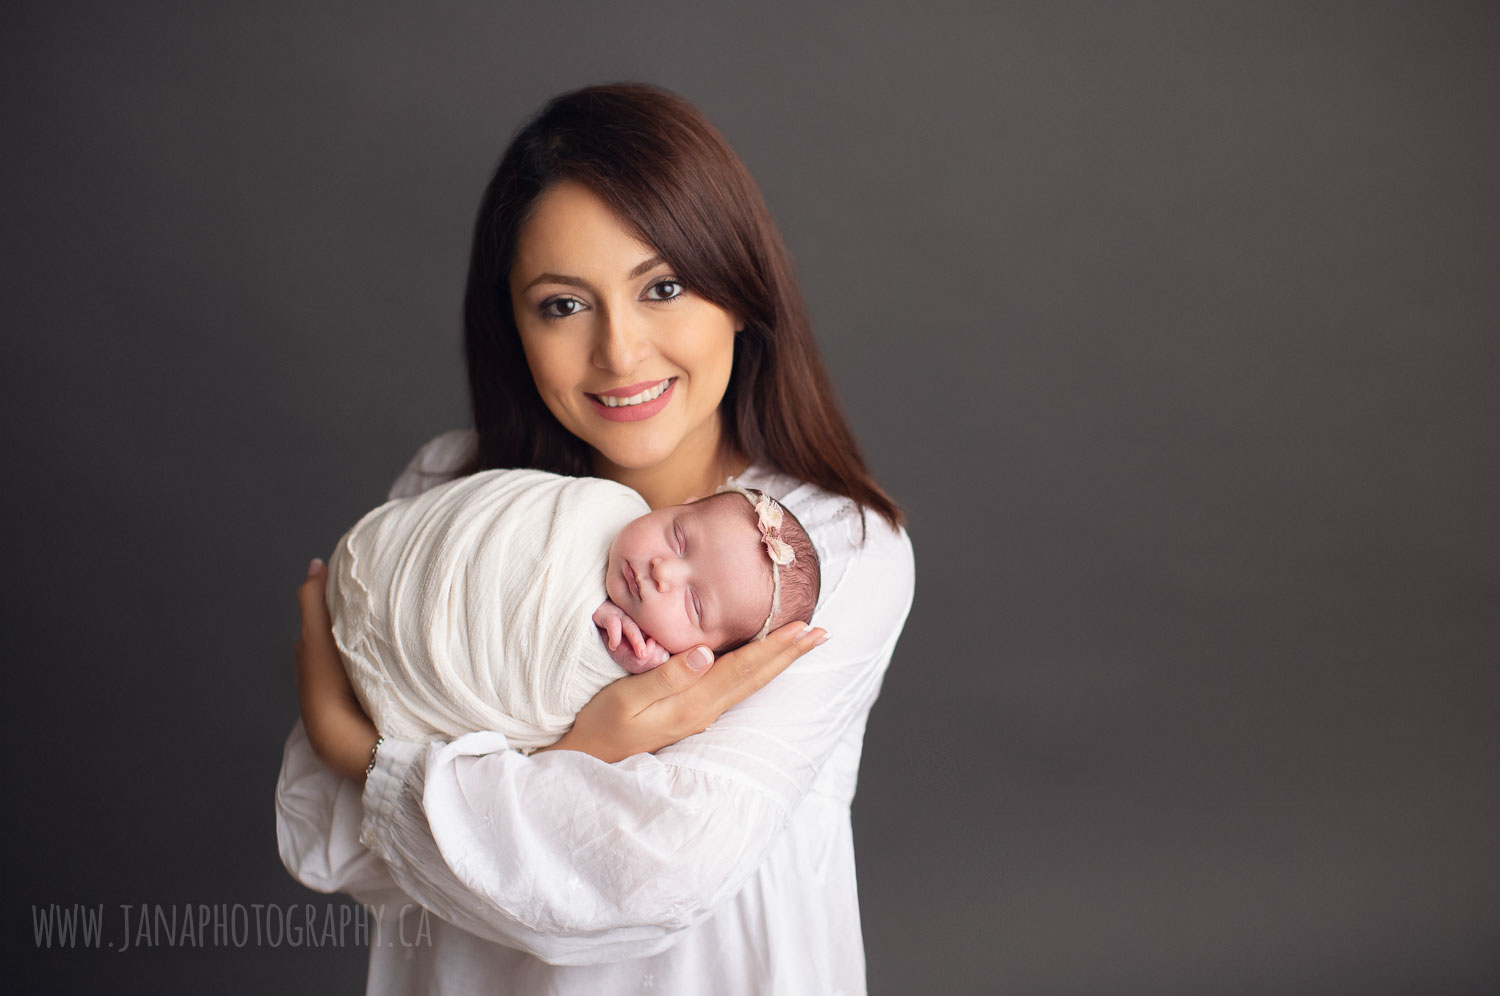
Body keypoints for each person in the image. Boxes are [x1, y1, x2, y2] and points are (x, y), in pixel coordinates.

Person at [276, 82, 915, 995]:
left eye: (664, 287)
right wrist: (581, 759)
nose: (620, 353)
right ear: (515, 325)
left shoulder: (827, 554)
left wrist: (362, 751)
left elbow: (647, 878)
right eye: (563, 305)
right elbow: (335, 848)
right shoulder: (447, 490)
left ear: (740, 292)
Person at [326, 465, 819, 749]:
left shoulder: (646, 664)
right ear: (682, 503)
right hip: (377, 564)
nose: (664, 571)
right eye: (679, 535)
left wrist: (627, 663)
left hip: (402, 669)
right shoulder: (601, 504)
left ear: (706, 656)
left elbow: (570, 686)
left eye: (693, 603)